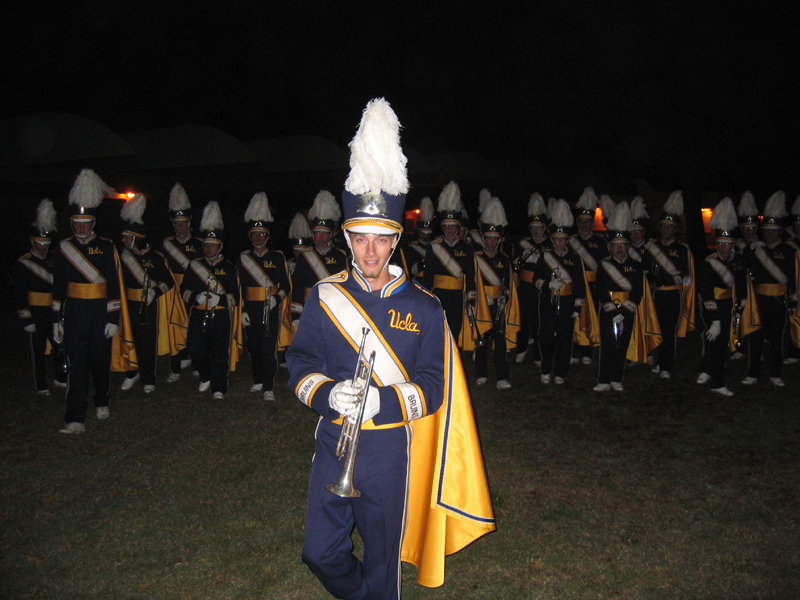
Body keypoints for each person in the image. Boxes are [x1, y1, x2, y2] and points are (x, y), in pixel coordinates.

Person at [287, 98, 494, 600]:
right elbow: (300, 366)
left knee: (383, 565)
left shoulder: (425, 309)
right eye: (361, 240)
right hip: (333, 441)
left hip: (389, 451)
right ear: (349, 237)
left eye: (381, 239)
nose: (371, 252)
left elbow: (434, 387)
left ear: (396, 238)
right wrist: (326, 394)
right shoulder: (324, 295)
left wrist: (384, 400)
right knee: (320, 553)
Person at [52, 169, 122, 434]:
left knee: (100, 361)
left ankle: (102, 400)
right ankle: (75, 417)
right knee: (76, 365)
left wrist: (112, 318)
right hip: (74, 314)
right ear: (72, 224)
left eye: (86, 222)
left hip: (98, 313)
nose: (81, 227)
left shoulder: (106, 246)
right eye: (77, 223)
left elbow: (113, 284)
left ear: (93, 223)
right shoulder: (63, 248)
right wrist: (55, 320)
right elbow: (58, 286)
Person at [181, 201, 242, 400]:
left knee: (219, 352)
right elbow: (183, 291)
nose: (208, 248)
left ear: (220, 246)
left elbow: (236, 296)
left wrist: (221, 299)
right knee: (194, 348)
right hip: (198, 313)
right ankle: (205, 375)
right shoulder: (194, 265)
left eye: (212, 245)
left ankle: (218, 387)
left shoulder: (230, 267)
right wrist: (193, 297)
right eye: (206, 245)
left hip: (221, 315)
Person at [237, 192, 291, 402]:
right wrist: (242, 309)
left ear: (267, 235)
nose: (258, 237)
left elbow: (285, 285)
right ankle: (258, 379)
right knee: (254, 347)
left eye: (261, 234)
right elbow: (239, 286)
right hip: (251, 308)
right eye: (254, 234)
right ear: (250, 236)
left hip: (271, 307)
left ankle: (268, 385)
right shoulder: (243, 258)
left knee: (269, 349)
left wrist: (278, 299)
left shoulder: (277, 257)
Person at [118, 194, 173, 394]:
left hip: (149, 304)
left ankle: (149, 377)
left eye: (126, 237)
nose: (123, 240)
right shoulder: (123, 257)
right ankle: (132, 372)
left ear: (136, 239)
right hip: (128, 304)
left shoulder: (157, 258)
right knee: (129, 337)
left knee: (147, 341)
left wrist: (155, 292)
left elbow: (169, 282)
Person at [695, 198, 750, 396]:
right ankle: (718, 382)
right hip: (712, 306)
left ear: (732, 244)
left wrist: (742, 301)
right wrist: (715, 319)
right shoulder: (709, 263)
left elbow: (742, 283)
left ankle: (706, 369)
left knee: (718, 342)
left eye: (727, 244)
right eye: (721, 243)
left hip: (729, 305)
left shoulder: (738, 261)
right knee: (716, 341)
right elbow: (706, 292)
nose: (724, 247)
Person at [742, 191, 796, 387]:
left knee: (776, 339)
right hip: (758, 300)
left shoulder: (789, 251)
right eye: (767, 230)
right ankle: (753, 372)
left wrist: (793, 300)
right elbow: (743, 265)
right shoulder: (756, 248)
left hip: (779, 300)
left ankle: (775, 373)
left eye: (774, 230)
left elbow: (793, 277)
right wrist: (751, 247)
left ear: (780, 231)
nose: (770, 233)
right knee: (755, 337)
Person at [15, 199, 67, 395]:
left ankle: (60, 378)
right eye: (39, 243)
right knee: (37, 351)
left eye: (45, 243)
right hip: (35, 311)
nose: (42, 247)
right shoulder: (24, 263)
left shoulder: (54, 259)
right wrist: (26, 317)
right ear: (32, 241)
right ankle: (41, 384)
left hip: (53, 310)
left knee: (59, 346)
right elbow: (19, 293)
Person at [533, 199, 588, 384]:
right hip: (548, 301)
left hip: (567, 303)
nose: (560, 242)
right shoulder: (544, 256)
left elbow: (580, 284)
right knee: (546, 337)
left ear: (567, 240)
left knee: (565, 340)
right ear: (552, 239)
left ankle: (561, 372)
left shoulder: (575, 258)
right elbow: (536, 279)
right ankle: (546, 368)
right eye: (556, 239)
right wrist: (548, 284)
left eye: (563, 239)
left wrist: (577, 307)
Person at [643, 191, 696, 380]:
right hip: (656, 294)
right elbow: (645, 270)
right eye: (663, 226)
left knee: (668, 331)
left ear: (675, 229)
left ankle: (667, 366)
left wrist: (681, 279)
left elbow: (688, 274)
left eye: (669, 227)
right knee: (656, 328)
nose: (666, 229)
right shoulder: (651, 248)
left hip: (673, 295)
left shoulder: (683, 249)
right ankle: (657, 361)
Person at [593, 203, 644, 392]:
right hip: (609, 310)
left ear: (628, 246)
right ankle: (603, 379)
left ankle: (617, 377)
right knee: (607, 344)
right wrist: (613, 311)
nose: (620, 249)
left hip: (628, 310)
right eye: (616, 245)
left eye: (623, 245)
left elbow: (638, 290)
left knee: (622, 344)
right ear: (610, 247)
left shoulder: (636, 266)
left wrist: (625, 310)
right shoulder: (604, 265)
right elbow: (601, 289)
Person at [421, 181, 476, 349]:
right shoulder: (435, 247)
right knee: (438, 331)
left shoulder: (466, 249)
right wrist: (426, 298)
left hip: (458, 297)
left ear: (458, 228)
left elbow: (471, 276)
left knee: (455, 330)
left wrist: (471, 300)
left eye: (453, 226)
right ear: (443, 227)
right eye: (447, 226)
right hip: (438, 295)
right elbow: (428, 275)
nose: (450, 230)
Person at [473, 197, 520, 389]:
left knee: (500, 340)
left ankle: (502, 377)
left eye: (495, 239)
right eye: (488, 238)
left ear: (499, 240)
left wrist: (504, 297)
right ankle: (481, 373)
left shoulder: (505, 259)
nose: (491, 242)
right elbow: (471, 281)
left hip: (499, 305)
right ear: (483, 239)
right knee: (481, 339)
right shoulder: (476, 259)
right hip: (482, 303)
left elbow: (509, 284)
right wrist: (479, 297)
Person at [162, 183, 202, 382]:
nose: (180, 226)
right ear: (172, 223)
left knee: (195, 327)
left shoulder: (200, 245)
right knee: (174, 328)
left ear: (189, 222)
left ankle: (195, 363)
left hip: (194, 290)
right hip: (173, 291)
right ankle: (176, 366)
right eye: (177, 223)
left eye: (184, 222)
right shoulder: (167, 244)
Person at [291, 191, 348, 327]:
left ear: (330, 235)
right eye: (318, 233)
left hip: (334, 308)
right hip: (309, 308)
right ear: (312, 234)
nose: (321, 237)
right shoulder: (304, 256)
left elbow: (345, 286)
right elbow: (298, 286)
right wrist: (296, 315)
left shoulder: (340, 256)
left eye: (325, 233)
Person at [569, 186, 606, 365]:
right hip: (575, 285)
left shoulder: (601, 242)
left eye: (587, 221)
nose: (584, 224)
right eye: (581, 221)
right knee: (574, 317)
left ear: (592, 223)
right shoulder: (569, 242)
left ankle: (588, 351)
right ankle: (574, 350)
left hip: (593, 286)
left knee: (592, 318)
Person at [513, 193, 550, 364]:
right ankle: (521, 348)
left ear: (544, 228)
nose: (536, 230)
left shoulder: (550, 245)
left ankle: (538, 354)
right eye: (533, 227)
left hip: (541, 288)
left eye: (539, 227)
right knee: (523, 319)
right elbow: (514, 265)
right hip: (525, 288)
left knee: (540, 321)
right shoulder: (523, 243)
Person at [402, 196, 434, 280]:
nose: (426, 235)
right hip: (418, 281)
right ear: (419, 232)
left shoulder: (434, 246)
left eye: (428, 233)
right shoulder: (412, 248)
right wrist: (423, 263)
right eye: (424, 233)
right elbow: (410, 269)